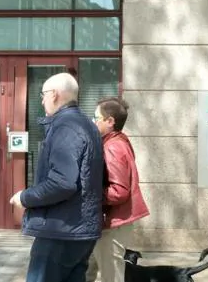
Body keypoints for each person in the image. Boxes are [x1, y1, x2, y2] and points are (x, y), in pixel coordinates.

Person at [9, 72, 104, 282]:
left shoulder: (66, 127)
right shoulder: (87, 125)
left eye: (42, 95)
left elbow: (62, 182)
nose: (42, 100)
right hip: (77, 229)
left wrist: (24, 197)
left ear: (54, 94)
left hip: (60, 230)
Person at [86, 97, 150, 282]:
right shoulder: (117, 142)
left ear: (110, 121)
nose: (93, 121)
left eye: (96, 117)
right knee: (90, 270)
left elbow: (119, 191)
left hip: (113, 224)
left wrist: (90, 196)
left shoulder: (113, 147)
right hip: (109, 222)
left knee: (111, 277)